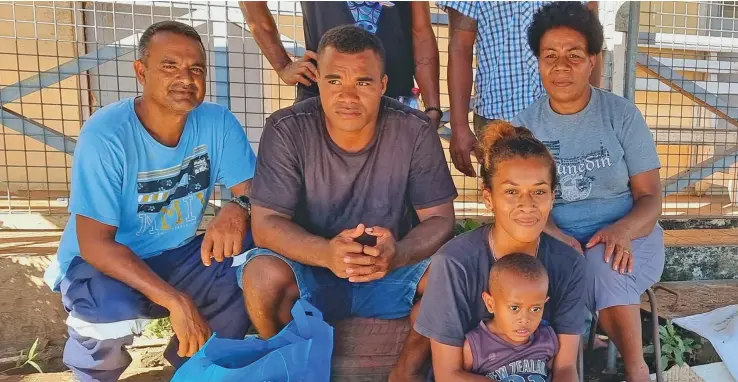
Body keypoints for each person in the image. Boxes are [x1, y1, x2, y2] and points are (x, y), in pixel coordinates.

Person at [238, 25, 457, 382]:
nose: (348, 96)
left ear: (383, 85)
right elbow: (265, 224)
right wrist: (327, 254)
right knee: (261, 275)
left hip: (390, 269)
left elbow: (440, 219)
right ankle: (291, 366)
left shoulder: (414, 130)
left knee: (452, 272)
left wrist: (397, 253)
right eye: (335, 80)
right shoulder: (286, 129)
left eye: (364, 83)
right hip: (314, 270)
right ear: (318, 80)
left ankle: (406, 371)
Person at [42, 21, 257, 382]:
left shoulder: (217, 122)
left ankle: (197, 368)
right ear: (141, 71)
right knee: (107, 305)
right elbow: (95, 245)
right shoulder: (106, 135)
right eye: (169, 66)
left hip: (177, 254)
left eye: (196, 69)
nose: (185, 78)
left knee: (250, 261)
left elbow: (254, 190)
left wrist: (239, 206)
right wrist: (176, 300)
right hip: (103, 261)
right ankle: (94, 374)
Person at [512, 3, 665, 381]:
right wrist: (554, 234)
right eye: (550, 56)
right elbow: (517, 202)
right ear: (538, 61)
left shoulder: (621, 115)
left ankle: (635, 368)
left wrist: (622, 230)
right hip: (551, 239)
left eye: (574, 55)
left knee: (603, 260)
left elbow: (650, 198)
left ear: (592, 60)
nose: (561, 66)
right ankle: (562, 360)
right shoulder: (525, 126)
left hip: (631, 236)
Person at [415, 121, 588, 381]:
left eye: (539, 191)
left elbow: (564, 368)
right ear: (489, 198)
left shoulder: (570, 264)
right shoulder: (455, 263)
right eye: (511, 192)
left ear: (552, 197)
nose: (527, 204)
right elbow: (448, 374)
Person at [438, 1, 601, 177]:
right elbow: (460, 48)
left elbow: (592, 46)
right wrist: (459, 125)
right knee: (511, 197)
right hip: (500, 116)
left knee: (571, 192)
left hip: (567, 112)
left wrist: (588, 113)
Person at [239, 1, 443, 127]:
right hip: (324, 102)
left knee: (398, 192)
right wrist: (283, 66)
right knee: (319, 189)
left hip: (395, 101)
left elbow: (421, 32)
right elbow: (252, 5)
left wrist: (433, 107)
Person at [463, 254, 558, 380]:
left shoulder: (547, 338)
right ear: (490, 303)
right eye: (514, 308)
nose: (525, 319)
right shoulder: (475, 346)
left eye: (535, 309)